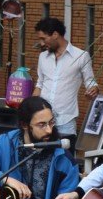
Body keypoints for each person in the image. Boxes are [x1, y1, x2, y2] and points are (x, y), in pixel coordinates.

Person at [33, 18, 98, 146]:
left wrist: (93, 90)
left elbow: (91, 83)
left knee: (65, 160)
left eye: (43, 38)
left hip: (65, 121)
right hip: (41, 119)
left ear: (55, 35)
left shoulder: (81, 56)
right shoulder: (42, 57)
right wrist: (30, 108)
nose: (41, 43)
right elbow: (40, 84)